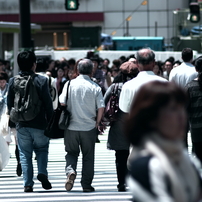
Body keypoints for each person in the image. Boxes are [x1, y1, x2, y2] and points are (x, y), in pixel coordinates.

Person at [125, 81, 202, 202]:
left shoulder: (187, 160)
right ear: (151, 117)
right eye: (173, 109)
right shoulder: (145, 165)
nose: (181, 116)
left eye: (182, 108)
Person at [7, 51, 54, 192]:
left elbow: (10, 103)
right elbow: (48, 103)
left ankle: (27, 184)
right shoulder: (42, 80)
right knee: (42, 149)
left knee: (24, 154)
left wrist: (15, 119)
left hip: (21, 124)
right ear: (34, 64)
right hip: (39, 123)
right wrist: (50, 120)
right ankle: (42, 173)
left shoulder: (12, 81)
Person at [59, 59, 105, 192]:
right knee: (88, 156)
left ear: (78, 70)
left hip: (71, 126)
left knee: (71, 153)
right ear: (92, 70)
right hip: (89, 127)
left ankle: (71, 171)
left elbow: (62, 102)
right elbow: (101, 106)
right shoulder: (95, 86)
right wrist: (97, 122)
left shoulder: (69, 84)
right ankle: (86, 184)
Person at [103, 60, 139, 192]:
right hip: (137, 123)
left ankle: (121, 182)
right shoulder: (140, 86)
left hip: (119, 123)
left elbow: (103, 101)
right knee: (139, 153)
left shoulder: (115, 87)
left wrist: (101, 121)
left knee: (120, 154)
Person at [119, 48, 167, 114]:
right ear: (154, 63)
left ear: (137, 63)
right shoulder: (166, 84)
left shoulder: (128, 85)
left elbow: (124, 109)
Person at [186, 56, 202, 164]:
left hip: (196, 128)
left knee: (198, 158)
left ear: (196, 69)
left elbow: (184, 109)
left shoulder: (190, 86)